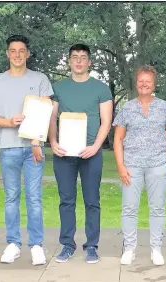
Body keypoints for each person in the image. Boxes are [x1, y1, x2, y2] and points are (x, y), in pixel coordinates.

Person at [0, 35, 54, 265]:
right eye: (13, 50)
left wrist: (35, 141)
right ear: (7, 53)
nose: (17, 54)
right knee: (11, 198)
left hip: (33, 148)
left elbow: (45, 111)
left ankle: (36, 246)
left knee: (34, 198)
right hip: (8, 147)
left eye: (21, 50)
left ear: (28, 54)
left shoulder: (40, 79)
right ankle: (13, 243)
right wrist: (9, 122)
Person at [48, 44, 113, 264]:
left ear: (89, 62)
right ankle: (67, 244)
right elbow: (52, 118)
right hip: (64, 153)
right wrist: (53, 142)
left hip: (90, 152)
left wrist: (95, 147)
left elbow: (106, 122)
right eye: (74, 57)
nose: (78, 61)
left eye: (83, 57)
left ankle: (92, 246)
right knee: (66, 201)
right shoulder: (58, 87)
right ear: (69, 61)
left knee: (92, 201)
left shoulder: (101, 89)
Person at [112, 65, 166, 266]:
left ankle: (156, 249)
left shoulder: (164, 106)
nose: (144, 84)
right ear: (136, 83)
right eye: (141, 80)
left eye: (148, 81)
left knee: (157, 209)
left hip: (158, 164)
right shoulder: (127, 108)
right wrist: (121, 166)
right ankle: (129, 248)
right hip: (132, 165)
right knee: (129, 208)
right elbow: (118, 139)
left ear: (154, 84)